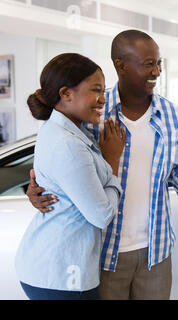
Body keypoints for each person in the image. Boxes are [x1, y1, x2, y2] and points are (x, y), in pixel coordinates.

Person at [26, 30, 178, 300]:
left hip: (156, 250)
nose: (156, 71)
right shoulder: (92, 110)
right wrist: (35, 188)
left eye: (159, 64)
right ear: (121, 65)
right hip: (105, 253)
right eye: (149, 64)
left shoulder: (169, 113)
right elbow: (66, 166)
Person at [15, 53, 125, 300]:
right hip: (63, 276)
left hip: (53, 270)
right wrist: (113, 161)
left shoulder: (65, 129)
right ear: (66, 93)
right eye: (96, 90)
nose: (103, 100)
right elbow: (102, 215)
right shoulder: (67, 144)